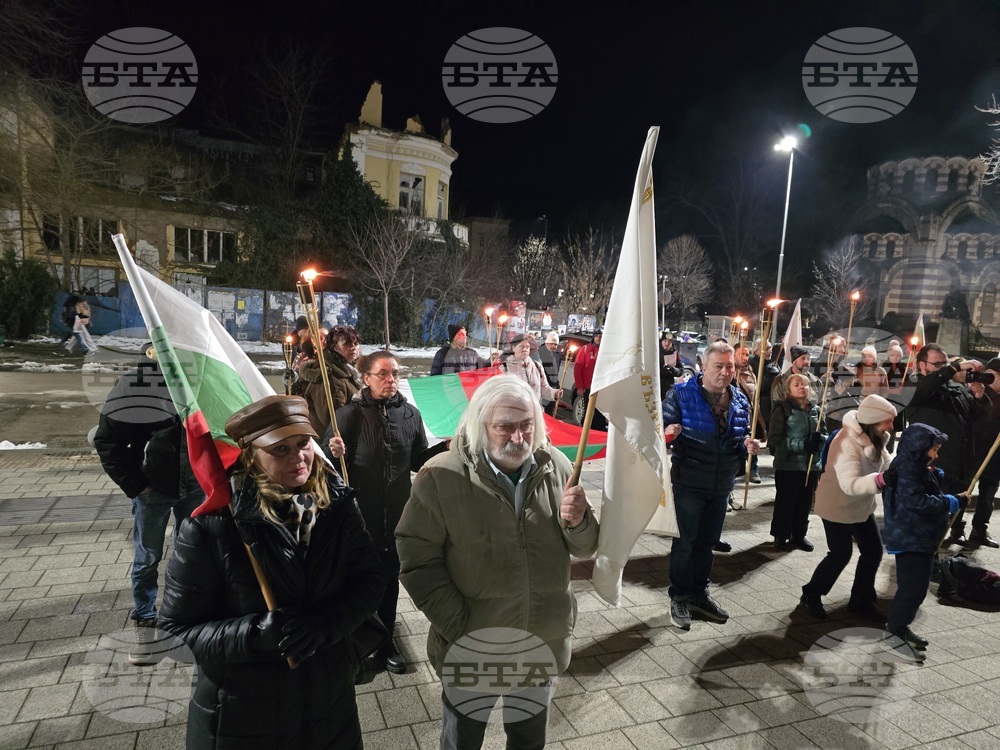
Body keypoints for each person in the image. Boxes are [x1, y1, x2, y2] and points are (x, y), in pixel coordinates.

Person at [159, 395, 386, 749]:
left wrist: (325, 624)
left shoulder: (338, 504)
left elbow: (370, 581)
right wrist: (256, 634)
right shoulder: (213, 525)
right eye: (280, 449)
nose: (299, 457)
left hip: (329, 704)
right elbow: (175, 635)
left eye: (303, 443)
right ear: (251, 455)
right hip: (245, 718)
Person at [396, 376, 598, 749]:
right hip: (474, 646)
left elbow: (584, 548)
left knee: (528, 739)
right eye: (505, 427)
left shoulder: (554, 464)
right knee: (462, 740)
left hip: (541, 640)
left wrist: (581, 520)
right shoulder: (441, 475)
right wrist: (459, 624)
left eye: (526, 425)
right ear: (481, 425)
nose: (519, 438)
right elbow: (417, 560)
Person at [325, 351, 440, 675]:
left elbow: (417, 461)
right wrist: (333, 454)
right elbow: (324, 470)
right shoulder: (347, 416)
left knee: (390, 580)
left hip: (398, 516)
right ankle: (357, 640)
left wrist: (442, 450)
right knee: (358, 581)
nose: (391, 379)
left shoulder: (410, 415)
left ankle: (385, 640)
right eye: (384, 374)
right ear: (367, 379)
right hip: (360, 517)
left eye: (395, 373)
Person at [93, 343, 204, 665]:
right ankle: (145, 618)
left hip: (195, 487)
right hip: (152, 489)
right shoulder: (135, 385)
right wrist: (137, 485)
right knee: (148, 557)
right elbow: (108, 441)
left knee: (193, 555)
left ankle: (185, 615)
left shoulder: (196, 379)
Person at [661, 341, 760, 630]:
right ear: (703, 367)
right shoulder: (681, 394)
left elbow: (739, 437)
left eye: (730, 366)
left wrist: (746, 445)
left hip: (721, 486)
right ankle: (679, 596)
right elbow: (659, 432)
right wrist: (669, 432)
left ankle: (699, 594)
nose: (726, 371)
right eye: (719, 366)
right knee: (685, 543)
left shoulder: (740, 399)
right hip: (689, 481)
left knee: (707, 544)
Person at [800, 394, 896, 620]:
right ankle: (811, 594)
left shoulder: (876, 435)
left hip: (860, 506)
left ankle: (861, 600)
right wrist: (882, 480)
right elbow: (850, 484)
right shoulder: (846, 442)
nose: (891, 425)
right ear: (873, 420)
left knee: (872, 551)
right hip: (837, 506)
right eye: (887, 420)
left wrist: (908, 466)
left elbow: (887, 461)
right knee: (840, 554)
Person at [880, 422, 968, 663]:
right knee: (911, 590)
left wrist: (935, 475)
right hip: (911, 537)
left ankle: (900, 626)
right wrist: (951, 501)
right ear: (919, 447)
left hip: (920, 538)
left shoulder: (914, 465)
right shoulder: (907, 467)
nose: (936, 455)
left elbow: (920, 486)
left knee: (916, 590)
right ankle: (894, 633)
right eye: (934, 450)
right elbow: (916, 502)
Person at [905, 343, 991, 546]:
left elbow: (978, 417)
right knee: (930, 515)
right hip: (933, 465)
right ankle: (922, 556)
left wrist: (979, 397)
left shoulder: (957, 389)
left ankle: (952, 534)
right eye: (938, 364)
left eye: (945, 363)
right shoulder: (914, 385)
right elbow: (926, 388)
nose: (943, 368)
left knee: (953, 508)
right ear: (922, 365)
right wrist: (953, 368)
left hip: (960, 463)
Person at [768, 373, 827, 551]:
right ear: (789, 389)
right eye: (797, 385)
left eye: (805, 384)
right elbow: (775, 438)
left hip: (811, 464)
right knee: (787, 501)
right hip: (789, 464)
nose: (802, 387)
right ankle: (781, 534)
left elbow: (823, 432)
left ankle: (799, 535)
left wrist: (820, 440)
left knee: (805, 501)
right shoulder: (782, 409)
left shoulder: (816, 409)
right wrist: (802, 445)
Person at [299, 325, 363, 434]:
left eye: (356, 344)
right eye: (347, 344)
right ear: (335, 347)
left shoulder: (346, 369)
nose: (353, 347)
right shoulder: (329, 376)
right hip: (332, 442)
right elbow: (335, 419)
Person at [969, 357, 1000, 547]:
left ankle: (979, 530)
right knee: (964, 493)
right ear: (993, 375)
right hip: (973, 453)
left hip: (995, 457)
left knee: (987, 496)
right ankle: (956, 529)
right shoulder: (976, 393)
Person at [504, 333, 563, 405]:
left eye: (527, 347)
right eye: (521, 347)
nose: (525, 349)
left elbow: (544, 388)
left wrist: (555, 393)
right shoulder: (505, 368)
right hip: (515, 412)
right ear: (513, 348)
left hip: (535, 412)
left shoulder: (537, 366)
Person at [735, 345, 763, 484]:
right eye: (741, 354)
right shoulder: (731, 372)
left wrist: (762, 424)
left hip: (749, 415)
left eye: (747, 354)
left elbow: (755, 399)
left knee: (751, 440)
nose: (745, 357)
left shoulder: (751, 373)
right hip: (735, 414)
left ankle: (752, 468)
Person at [574, 327, 607, 431]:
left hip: (602, 387)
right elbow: (578, 368)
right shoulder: (585, 349)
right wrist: (580, 386)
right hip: (588, 387)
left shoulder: (606, 350)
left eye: (601, 336)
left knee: (600, 413)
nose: (598, 338)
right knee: (588, 411)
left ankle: (598, 431)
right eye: (596, 336)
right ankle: (585, 432)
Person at [882, 341, 907, 452]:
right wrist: (893, 391)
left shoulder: (904, 368)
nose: (895, 357)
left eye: (897, 355)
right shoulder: (884, 368)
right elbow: (880, 386)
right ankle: (885, 448)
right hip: (887, 400)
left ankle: (892, 450)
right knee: (887, 425)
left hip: (899, 401)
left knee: (896, 426)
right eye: (892, 355)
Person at [538, 331, 562, 415]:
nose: (553, 346)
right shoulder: (539, 353)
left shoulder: (557, 354)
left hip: (553, 387)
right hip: (543, 388)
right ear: (547, 343)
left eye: (555, 344)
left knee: (550, 413)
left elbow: (556, 370)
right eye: (551, 344)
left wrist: (557, 384)